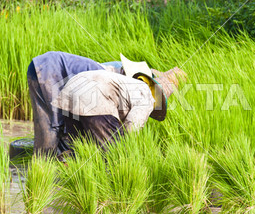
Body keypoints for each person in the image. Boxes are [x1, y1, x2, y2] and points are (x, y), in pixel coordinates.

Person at [27, 51, 185, 155]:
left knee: (78, 147)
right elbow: (132, 125)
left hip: (70, 91)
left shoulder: (113, 77)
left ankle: (55, 175)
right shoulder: (148, 96)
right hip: (63, 79)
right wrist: (130, 150)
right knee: (116, 152)